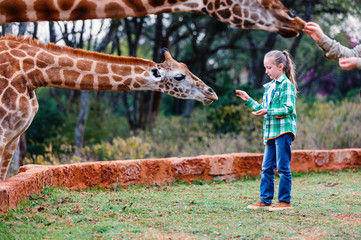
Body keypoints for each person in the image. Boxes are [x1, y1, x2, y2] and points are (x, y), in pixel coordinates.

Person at [235, 50, 297, 212]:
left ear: (280, 66)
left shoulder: (286, 85)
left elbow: (288, 109)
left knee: (283, 167)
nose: (267, 71)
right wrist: (248, 100)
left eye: (269, 68)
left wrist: (268, 111)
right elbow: (263, 109)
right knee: (267, 168)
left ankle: (285, 201)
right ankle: (265, 200)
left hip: (283, 132)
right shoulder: (269, 87)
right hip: (270, 133)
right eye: (265, 68)